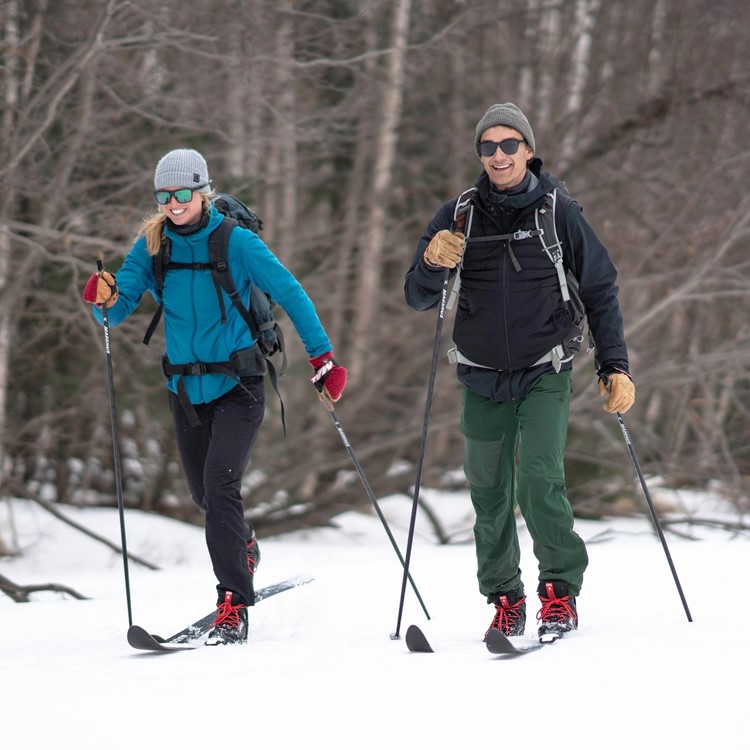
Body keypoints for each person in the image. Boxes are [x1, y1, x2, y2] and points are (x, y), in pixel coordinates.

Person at [83, 148, 347, 645]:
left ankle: (232, 605)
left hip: (239, 385)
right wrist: (104, 296)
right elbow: (117, 312)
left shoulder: (236, 242)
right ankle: (243, 545)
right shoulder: (151, 246)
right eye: (164, 195)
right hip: (184, 387)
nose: (174, 203)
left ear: (203, 191)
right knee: (204, 496)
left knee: (220, 487)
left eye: (183, 193)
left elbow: (292, 294)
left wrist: (323, 359)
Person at [404, 103, 634, 642]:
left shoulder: (558, 210)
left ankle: (558, 592)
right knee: (488, 491)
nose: (499, 155)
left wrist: (614, 364)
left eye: (510, 145)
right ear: (479, 154)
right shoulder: (457, 214)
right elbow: (417, 297)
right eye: (488, 147)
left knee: (538, 479)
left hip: (544, 366)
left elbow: (600, 286)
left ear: (529, 150)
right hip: (480, 372)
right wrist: (433, 262)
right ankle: (506, 598)